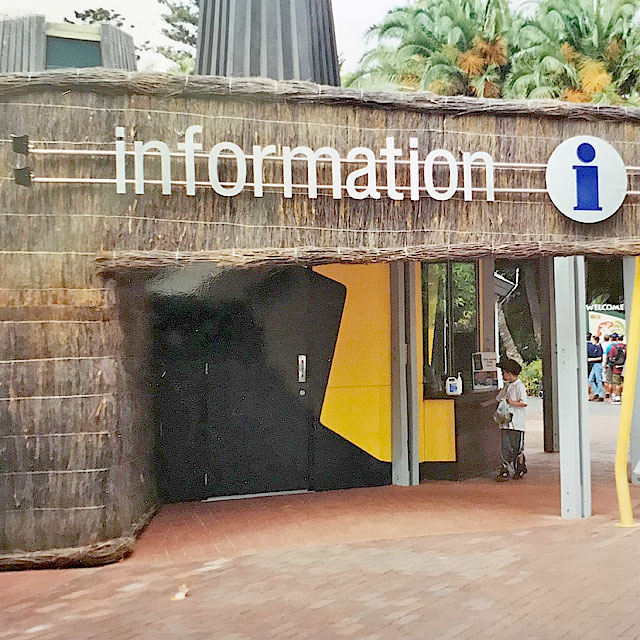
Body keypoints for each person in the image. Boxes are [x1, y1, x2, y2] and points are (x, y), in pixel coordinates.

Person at [495, 359, 528, 482]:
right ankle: (505, 468)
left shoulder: (519, 386)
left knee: (517, 447)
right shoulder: (507, 387)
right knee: (505, 446)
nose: (502, 375)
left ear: (510, 373)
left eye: (503, 372)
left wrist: (511, 402)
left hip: (517, 423)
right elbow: (498, 398)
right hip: (506, 423)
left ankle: (519, 466)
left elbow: (524, 403)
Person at [608, 334, 626, 404]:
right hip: (624, 367)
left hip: (616, 367)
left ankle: (618, 397)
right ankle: (622, 395)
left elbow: (610, 357)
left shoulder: (613, 347)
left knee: (616, 383)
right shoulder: (625, 347)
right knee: (623, 382)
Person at [588, 335, 604, 401]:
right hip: (594, 364)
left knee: (598, 380)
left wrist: (591, 359)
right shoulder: (595, 347)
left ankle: (601, 395)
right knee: (590, 379)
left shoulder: (599, 347)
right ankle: (596, 392)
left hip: (597, 364)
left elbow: (600, 358)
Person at [602, 334, 612, 400]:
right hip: (609, 363)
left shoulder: (602, 345)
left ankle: (606, 392)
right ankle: (610, 393)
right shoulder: (610, 345)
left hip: (603, 362)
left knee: (605, 378)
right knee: (610, 379)